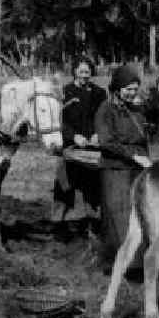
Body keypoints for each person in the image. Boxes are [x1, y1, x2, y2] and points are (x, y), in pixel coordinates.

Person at [95, 64, 151, 269]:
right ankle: (118, 263)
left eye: (135, 90)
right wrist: (134, 156)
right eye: (128, 89)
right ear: (117, 89)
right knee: (119, 215)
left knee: (140, 213)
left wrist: (146, 160)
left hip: (137, 169)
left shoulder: (136, 111)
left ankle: (139, 260)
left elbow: (142, 140)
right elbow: (106, 142)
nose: (132, 93)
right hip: (114, 169)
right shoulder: (105, 110)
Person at [52, 56, 107, 231]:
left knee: (92, 189)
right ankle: (58, 226)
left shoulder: (99, 93)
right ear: (75, 71)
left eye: (88, 72)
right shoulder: (65, 92)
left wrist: (98, 134)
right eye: (81, 71)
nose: (85, 75)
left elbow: (103, 118)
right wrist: (74, 136)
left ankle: (93, 227)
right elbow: (58, 120)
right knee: (64, 187)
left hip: (92, 150)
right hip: (70, 147)